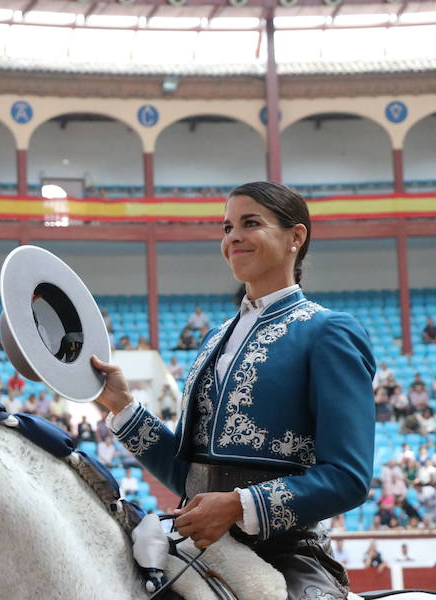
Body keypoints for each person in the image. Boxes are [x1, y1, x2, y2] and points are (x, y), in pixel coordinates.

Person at [91, 182, 375, 599]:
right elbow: (190, 474)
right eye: (226, 228)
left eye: (250, 223)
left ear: (296, 237)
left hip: (287, 554)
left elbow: (348, 478)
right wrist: (121, 405)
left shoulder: (328, 331)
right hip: (198, 547)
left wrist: (238, 506)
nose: (233, 238)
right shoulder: (215, 338)